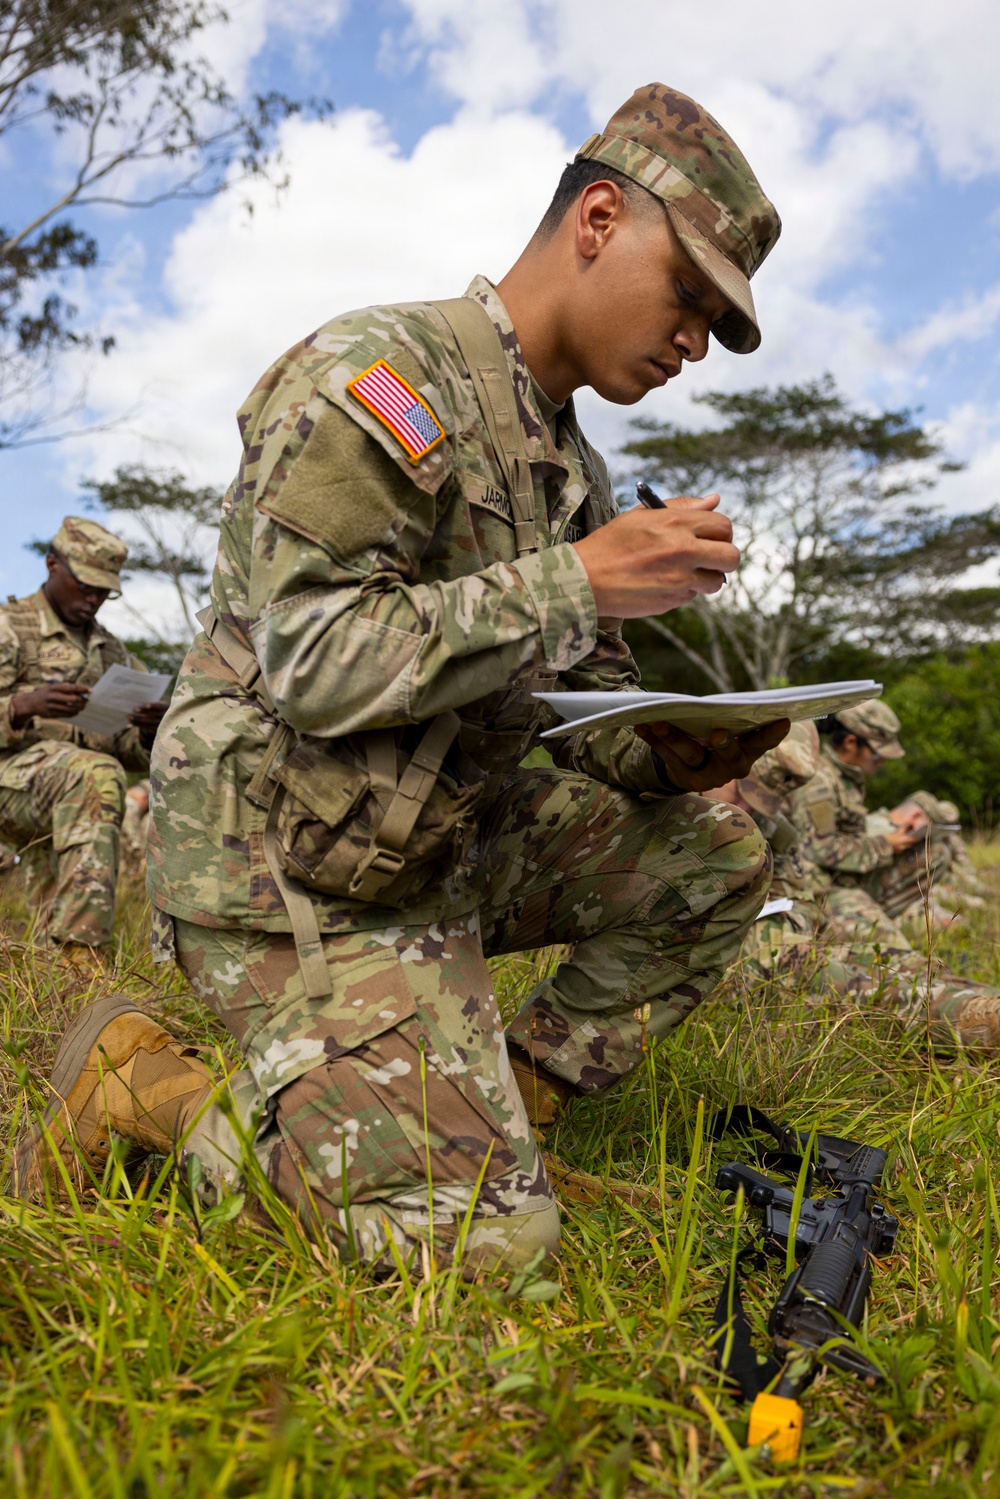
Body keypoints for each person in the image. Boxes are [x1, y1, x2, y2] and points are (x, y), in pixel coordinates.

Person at [18, 84, 787, 1269]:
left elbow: (582, 699)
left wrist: (670, 747)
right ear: (595, 218)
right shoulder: (379, 375)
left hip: (433, 830)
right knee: (484, 1252)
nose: (693, 341)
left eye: (716, 324)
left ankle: (502, 1115)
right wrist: (578, 578)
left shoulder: (568, 467)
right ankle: (147, 1089)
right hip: (280, 850)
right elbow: (314, 662)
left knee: (719, 854)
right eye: (688, 294)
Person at [716, 724, 1000, 1051]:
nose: (758, 807)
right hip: (756, 944)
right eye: (748, 786)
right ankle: (977, 1021)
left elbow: (795, 887)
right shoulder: (674, 816)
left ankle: (981, 1003)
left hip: (787, 922)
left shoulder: (771, 824)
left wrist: (808, 927)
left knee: (898, 962)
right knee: (858, 989)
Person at [0, 518, 168, 965]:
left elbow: (125, 749)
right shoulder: (8, 628)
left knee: (94, 774)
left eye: (104, 591)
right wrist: (22, 706)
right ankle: (82, 962)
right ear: (53, 565)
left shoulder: (111, 652)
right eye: (87, 586)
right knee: (95, 774)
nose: (94, 599)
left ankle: (54, 985)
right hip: (8, 783)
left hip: (65, 793)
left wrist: (149, 731)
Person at [792, 701, 929, 944]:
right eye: (877, 752)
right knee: (894, 951)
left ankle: (865, 923)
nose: (882, 761)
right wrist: (884, 845)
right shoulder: (820, 782)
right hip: (823, 891)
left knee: (929, 853)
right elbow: (817, 848)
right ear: (851, 743)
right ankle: (844, 930)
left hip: (848, 879)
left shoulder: (847, 779)